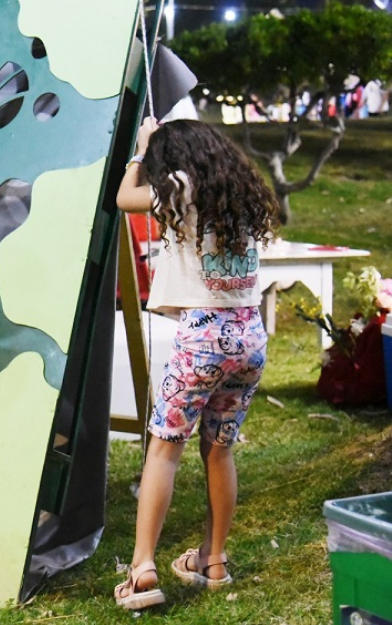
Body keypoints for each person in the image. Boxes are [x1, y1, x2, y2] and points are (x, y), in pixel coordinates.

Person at [113, 118, 280, 610]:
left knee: (165, 449)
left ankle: (143, 569)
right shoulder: (241, 190)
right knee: (219, 448)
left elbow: (125, 199)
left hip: (204, 336)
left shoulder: (181, 185)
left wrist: (142, 150)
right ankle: (213, 561)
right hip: (249, 333)